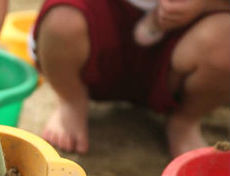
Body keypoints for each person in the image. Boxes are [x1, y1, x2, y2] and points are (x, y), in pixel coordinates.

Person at [34, 0, 230, 156]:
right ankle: (71, 99)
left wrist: (205, 4)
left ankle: (185, 121)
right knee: (61, 18)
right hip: (100, 33)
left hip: (180, 51)